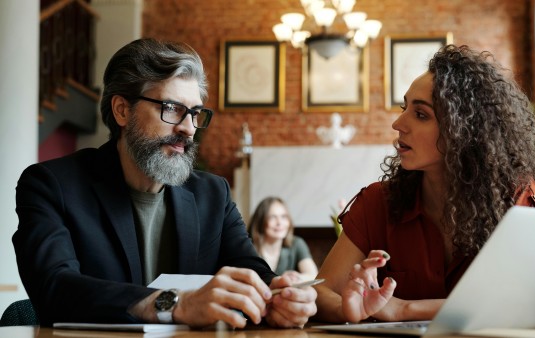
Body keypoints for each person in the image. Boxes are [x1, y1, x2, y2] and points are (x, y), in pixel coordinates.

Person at [13, 38, 316, 329]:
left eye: (196, 113)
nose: (188, 128)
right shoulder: (51, 186)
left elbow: (252, 272)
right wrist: (174, 305)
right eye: (172, 108)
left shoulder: (213, 194)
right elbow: (54, 287)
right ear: (122, 110)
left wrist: (281, 296)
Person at [313, 44, 535, 324]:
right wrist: (352, 308)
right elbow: (321, 292)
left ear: (463, 131)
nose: (398, 124)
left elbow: (533, 303)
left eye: (421, 114)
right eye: (404, 108)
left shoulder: (518, 199)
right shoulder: (377, 202)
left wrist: (403, 310)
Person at [247, 197, 318, 281]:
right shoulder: (247, 247)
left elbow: (314, 275)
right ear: (260, 221)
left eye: (284, 217)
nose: (279, 222)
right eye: (272, 217)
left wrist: (295, 278)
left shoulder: (297, 243)